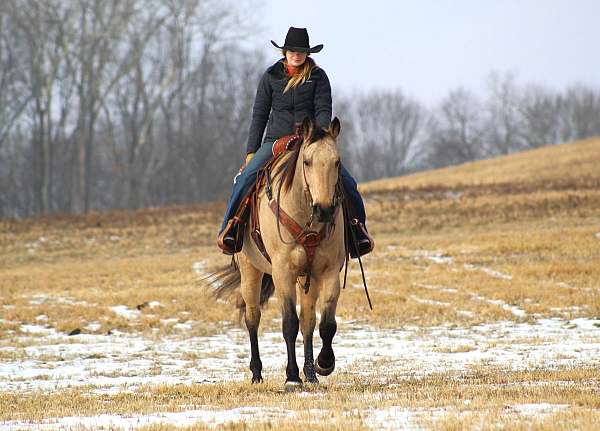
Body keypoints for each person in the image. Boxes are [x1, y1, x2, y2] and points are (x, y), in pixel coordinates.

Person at [217, 27, 373, 258]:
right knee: (245, 179)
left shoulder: (318, 77)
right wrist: (252, 150)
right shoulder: (270, 77)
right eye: (292, 50)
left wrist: (318, 137)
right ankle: (230, 229)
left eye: (301, 51)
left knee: (348, 183)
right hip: (275, 141)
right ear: (284, 51)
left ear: (308, 54)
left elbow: (323, 109)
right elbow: (259, 114)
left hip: (310, 140)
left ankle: (357, 233)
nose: (296, 55)